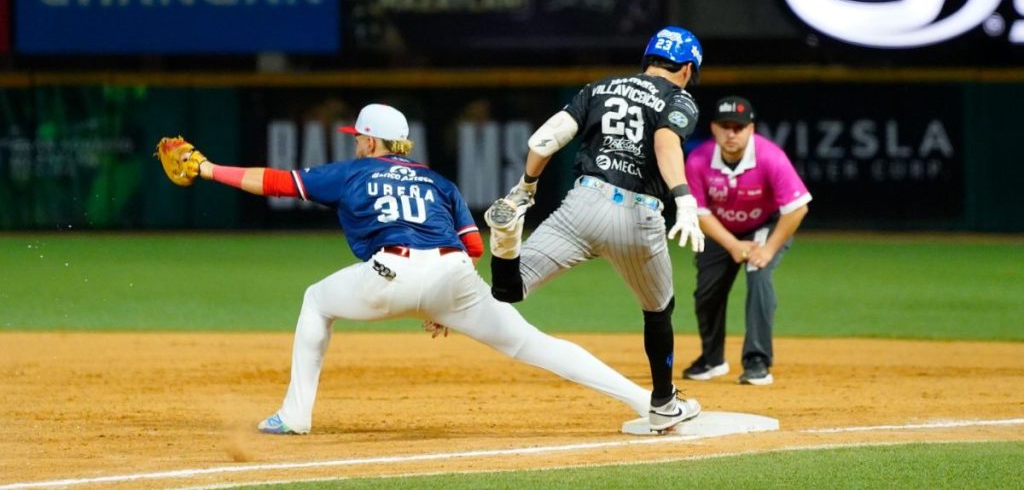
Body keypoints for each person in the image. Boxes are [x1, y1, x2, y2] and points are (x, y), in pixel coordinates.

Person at [162, 103, 687, 434]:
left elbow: (274, 182)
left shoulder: (352, 171)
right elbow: (474, 249)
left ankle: (295, 416)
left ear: (369, 142)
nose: (355, 143)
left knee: (316, 302)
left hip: (390, 273)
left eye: (357, 137)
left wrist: (207, 169)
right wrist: (444, 305)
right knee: (535, 345)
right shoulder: (438, 182)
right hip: (454, 274)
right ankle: (651, 401)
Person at [484, 26, 707, 428]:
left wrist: (525, 188)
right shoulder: (679, 98)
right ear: (688, 68)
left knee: (509, 288)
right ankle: (662, 403)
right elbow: (665, 142)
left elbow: (544, 140)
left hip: (583, 203)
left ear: (648, 60)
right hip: (638, 216)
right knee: (658, 310)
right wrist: (684, 198)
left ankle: (504, 236)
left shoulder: (599, 88)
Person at [681, 96, 811, 386]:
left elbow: (797, 208)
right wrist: (733, 245)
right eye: (725, 126)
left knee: (759, 275)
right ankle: (712, 359)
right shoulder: (699, 159)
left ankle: (757, 360)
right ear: (713, 128)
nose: (731, 133)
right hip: (720, 230)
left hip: (764, 227)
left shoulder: (770, 156)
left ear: (750, 129)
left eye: (738, 127)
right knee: (707, 292)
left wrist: (768, 249)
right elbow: (698, 212)